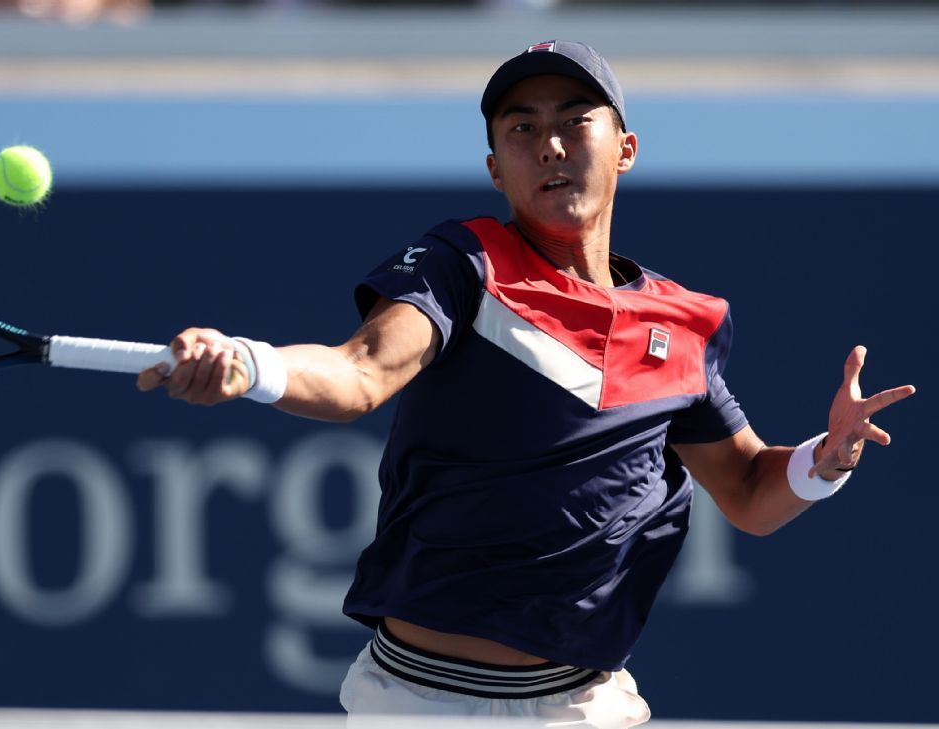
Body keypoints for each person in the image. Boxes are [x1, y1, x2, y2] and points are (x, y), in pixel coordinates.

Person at [136, 40, 916, 727]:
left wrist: (826, 458)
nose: (549, 144)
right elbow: (360, 372)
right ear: (495, 170)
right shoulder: (464, 263)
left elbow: (748, 487)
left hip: (588, 703)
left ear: (625, 148)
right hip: (421, 703)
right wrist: (250, 362)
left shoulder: (686, 322)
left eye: (575, 120)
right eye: (521, 128)